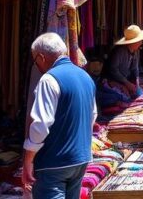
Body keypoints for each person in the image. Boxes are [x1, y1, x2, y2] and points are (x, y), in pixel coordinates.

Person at [24, 33, 97, 199]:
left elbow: (41, 125)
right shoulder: (85, 76)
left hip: (54, 162)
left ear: (41, 57)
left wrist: (28, 160)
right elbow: (92, 116)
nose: (37, 66)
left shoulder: (48, 80)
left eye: (35, 61)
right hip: (81, 159)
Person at [99, 24, 143, 105]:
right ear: (134, 42)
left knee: (139, 93)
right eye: (139, 40)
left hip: (124, 81)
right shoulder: (119, 51)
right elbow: (113, 70)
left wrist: (136, 83)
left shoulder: (134, 51)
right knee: (122, 98)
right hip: (111, 81)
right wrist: (126, 84)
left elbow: (135, 69)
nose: (141, 42)